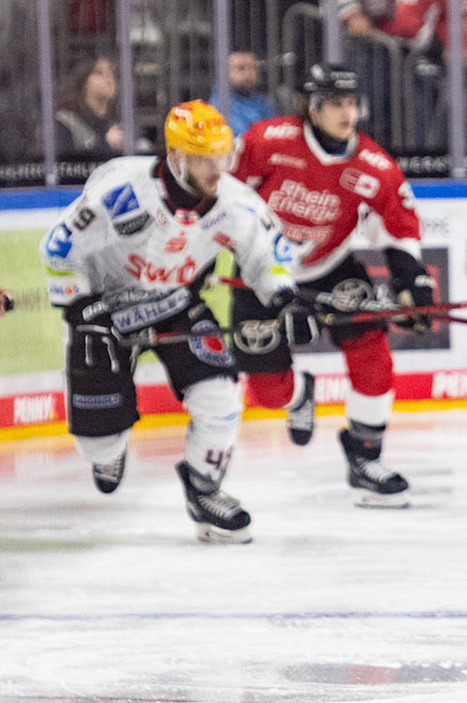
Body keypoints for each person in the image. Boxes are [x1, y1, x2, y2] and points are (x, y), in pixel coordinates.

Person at [40, 101, 302, 543]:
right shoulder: (122, 192)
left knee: (221, 396)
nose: (217, 169)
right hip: (105, 311)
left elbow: (270, 256)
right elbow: (58, 249)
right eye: (204, 159)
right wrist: (83, 309)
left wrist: (282, 299)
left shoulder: (235, 203)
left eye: (221, 156)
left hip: (176, 304)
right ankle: (108, 446)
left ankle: (204, 489)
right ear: (176, 157)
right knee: (99, 443)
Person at [231, 63, 429, 506]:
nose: (346, 113)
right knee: (267, 391)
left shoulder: (374, 165)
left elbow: (398, 229)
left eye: (352, 103)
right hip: (260, 273)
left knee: (372, 350)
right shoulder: (268, 141)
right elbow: (222, 192)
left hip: (331, 268)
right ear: (313, 107)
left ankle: (365, 455)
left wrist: (411, 281)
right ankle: (299, 394)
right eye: (336, 104)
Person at [55, 57, 125, 159]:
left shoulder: (122, 121)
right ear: (83, 80)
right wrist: (105, 143)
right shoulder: (65, 121)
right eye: (99, 73)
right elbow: (64, 163)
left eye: (113, 72)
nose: (110, 79)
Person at [224, 51, 279, 134]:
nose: (248, 74)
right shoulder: (221, 105)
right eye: (241, 68)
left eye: (253, 68)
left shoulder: (261, 101)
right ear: (225, 73)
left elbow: (277, 129)